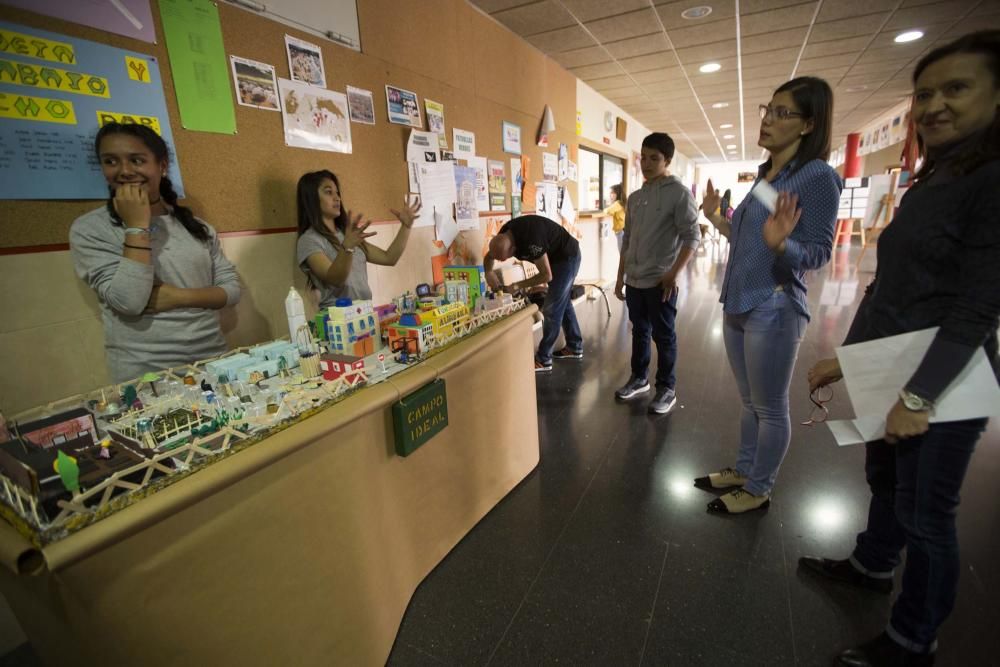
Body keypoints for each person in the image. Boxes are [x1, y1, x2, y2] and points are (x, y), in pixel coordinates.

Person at [800, 30, 1000, 666]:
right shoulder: (938, 176)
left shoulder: (991, 180)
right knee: (885, 478)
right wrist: (848, 359)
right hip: (892, 361)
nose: (935, 104)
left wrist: (918, 396)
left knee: (927, 513)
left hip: (942, 377)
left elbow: (976, 308)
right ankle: (872, 564)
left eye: (957, 88)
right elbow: (894, 289)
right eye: (925, 93)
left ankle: (914, 639)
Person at [694, 76, 841, 513]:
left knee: (771, 407)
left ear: (808, 124)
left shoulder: (817, 176)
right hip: (739, 299)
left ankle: (758, 489)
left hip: (775, 303)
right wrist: (716, 218)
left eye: (783, 113)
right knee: (750, 402)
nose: (769, 120)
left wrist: (783, 245)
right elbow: (750, 236)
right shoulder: (765, 176)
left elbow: (818, 252)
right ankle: (744, 469)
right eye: (768, 110)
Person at [70, 122, 241, 383]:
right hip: (147, 377)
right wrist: (137, 226)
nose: (125, 171)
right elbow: (130, 301)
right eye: (111, 161)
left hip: (212, 363)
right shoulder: (90, 229)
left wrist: (179, 297)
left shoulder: (198, 227)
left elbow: (231, 290)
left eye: (137, 160)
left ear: (161, 166)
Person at [613, 132, 701, 414]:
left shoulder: (679, 194)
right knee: (639, 331)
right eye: (644, 157)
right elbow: (627, 241)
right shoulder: (636, 198)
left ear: (668, 161)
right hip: (635, 280)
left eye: (655, 158)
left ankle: (667, 388)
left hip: (660, 281)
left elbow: (692, 237)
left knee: (664, 336)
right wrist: (619, 277)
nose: (647, 163)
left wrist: (674, 274)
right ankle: (639, 379)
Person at [295, 170, 420, 308]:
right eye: (328, 192)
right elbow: (335, 278)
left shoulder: (346, 234)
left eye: (337, 193)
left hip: (364, 313)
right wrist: (347, 248)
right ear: (311, 198)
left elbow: (389, 257)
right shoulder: (308, 240)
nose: (337, 198)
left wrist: (406, 227)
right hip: (336, 319)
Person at [484, 214, 582, 373]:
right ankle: (575, 346)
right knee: (562, 302)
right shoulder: (502, 237)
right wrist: (488, 272)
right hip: (554, 258)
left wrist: (516, 286)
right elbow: (489, 258)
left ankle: (544, 359)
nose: (501, 262)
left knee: (551, 309)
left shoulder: (531, 240)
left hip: (567, 257)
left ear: (514, 250)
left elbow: (546, 275)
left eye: (504, 259)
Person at [604, 183, 626, 252]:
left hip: (621, 232)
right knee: (623, 254)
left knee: (622, 254)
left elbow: (608, 211)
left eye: (613, 193)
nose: (611, 195)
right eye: (610, 193)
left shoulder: (618, 203)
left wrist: (605, 209)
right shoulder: (621, 203)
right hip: (623, 231)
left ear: (618, 193)